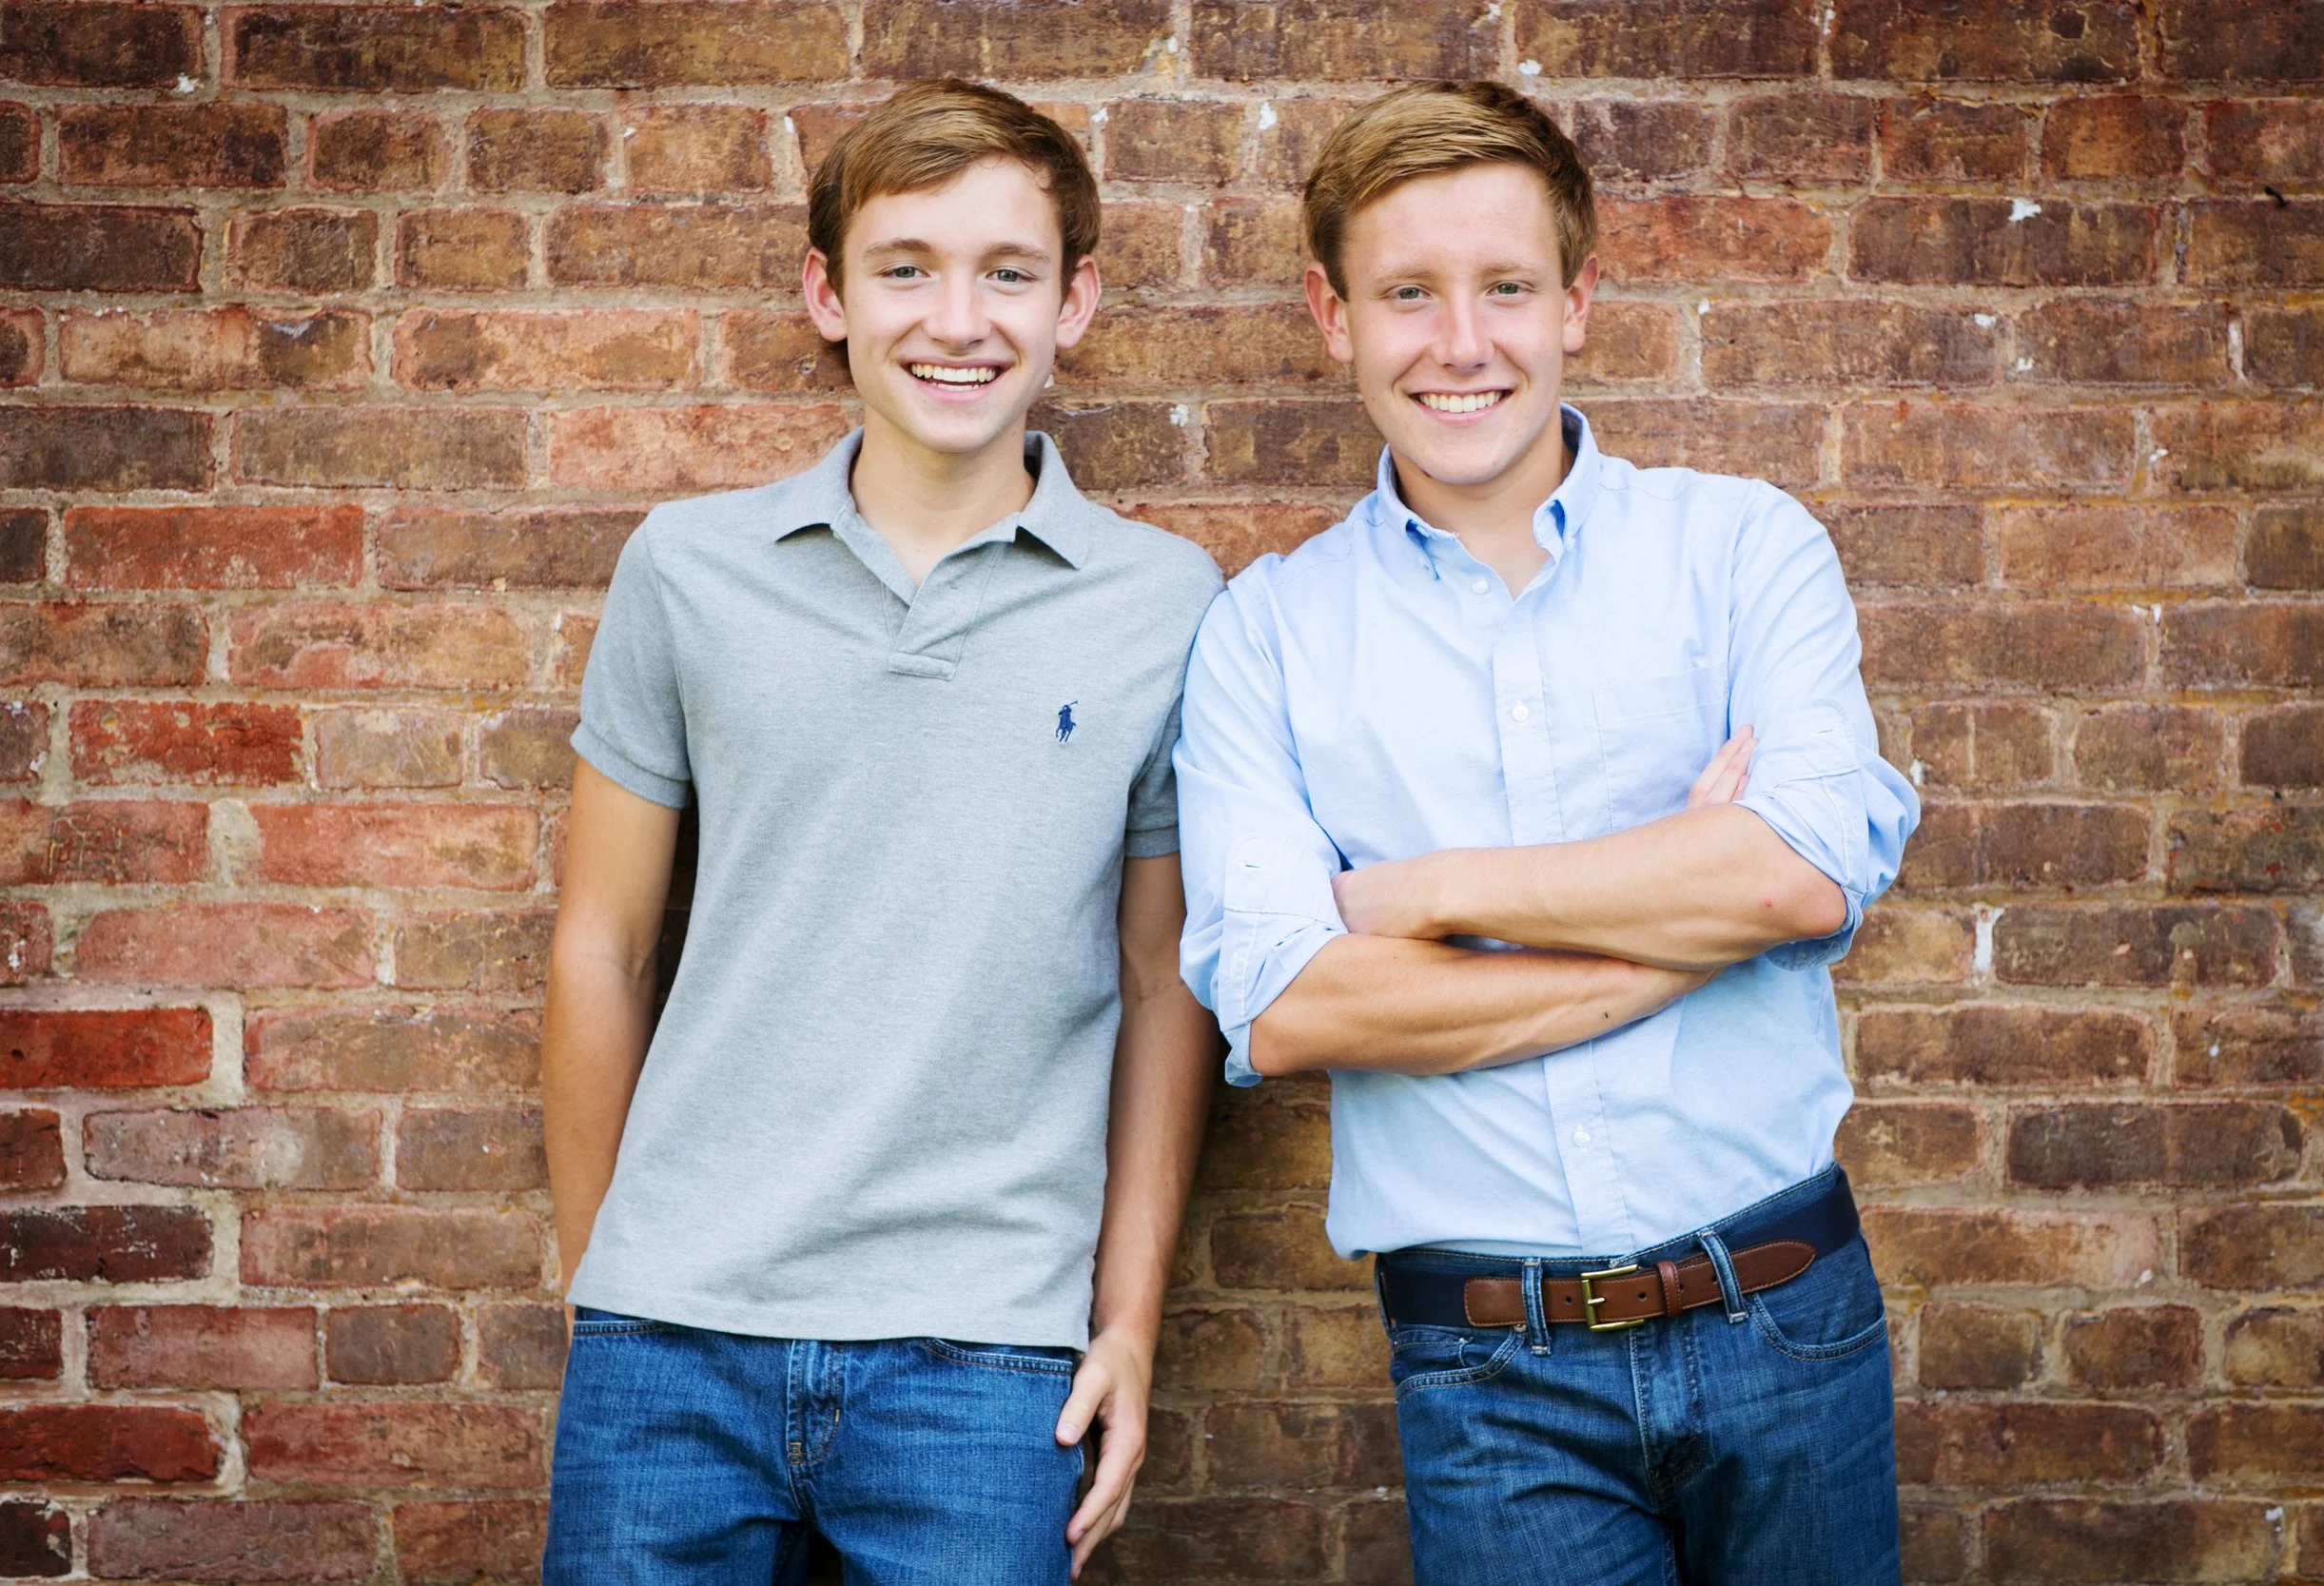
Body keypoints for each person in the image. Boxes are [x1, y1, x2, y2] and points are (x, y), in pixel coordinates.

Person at [1175, 81, 1920, 1585]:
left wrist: (1426, 894)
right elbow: (1293, 996)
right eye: (1408, 295)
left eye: (1506, 287)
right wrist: (1670, 934)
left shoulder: (1741, 549)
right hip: (1490, 1372)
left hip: (1780, 1307)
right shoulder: (1265, 633)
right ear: (1335, 318)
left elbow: (1795, 868)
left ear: (1578, 300)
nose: (1463, 343)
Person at [541, 79, 1221, 1584]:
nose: (956, 318)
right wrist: (609, 1286)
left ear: (1075, 303)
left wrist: (1125, 1321)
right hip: (675, 1345)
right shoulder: (690, 568)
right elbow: (604, 940)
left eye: (1008, 272)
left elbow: (1165, 979)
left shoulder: (1165, 604)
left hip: (985, 1361)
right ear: (827, 296)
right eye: (905, 267)